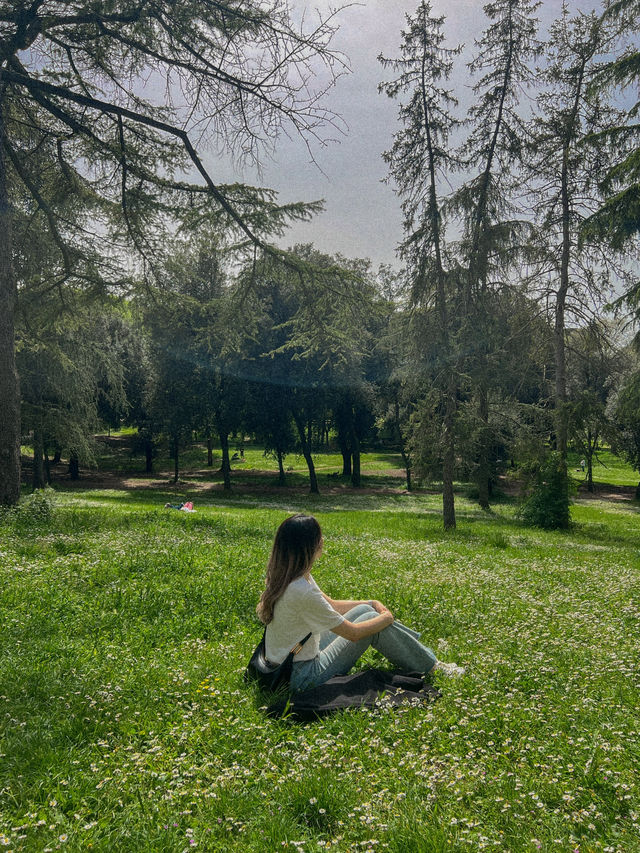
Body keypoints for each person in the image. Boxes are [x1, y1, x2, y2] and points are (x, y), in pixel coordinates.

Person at [256, 513, 465, 693]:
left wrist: (371, 602)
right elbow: (354, 634)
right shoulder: (302, 590)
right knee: (374, 625)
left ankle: (417, 653)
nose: (323, 541)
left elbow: (330, 604)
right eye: (319, 537)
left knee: (366, 610)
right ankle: (433, 667)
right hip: (301, 676)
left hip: (283, 663)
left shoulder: (287, 575)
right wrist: (386, 618)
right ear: (310, 546)